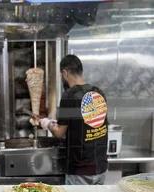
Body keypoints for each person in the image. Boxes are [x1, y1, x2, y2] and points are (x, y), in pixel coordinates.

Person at [40, 55, 108, 185]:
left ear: (65, 73)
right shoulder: (98, 92)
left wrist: (48, 124)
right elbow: (87, 122)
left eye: (61, 75)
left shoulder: (69, 96)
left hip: (81, 170)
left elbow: (59, 133)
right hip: (101, 167)